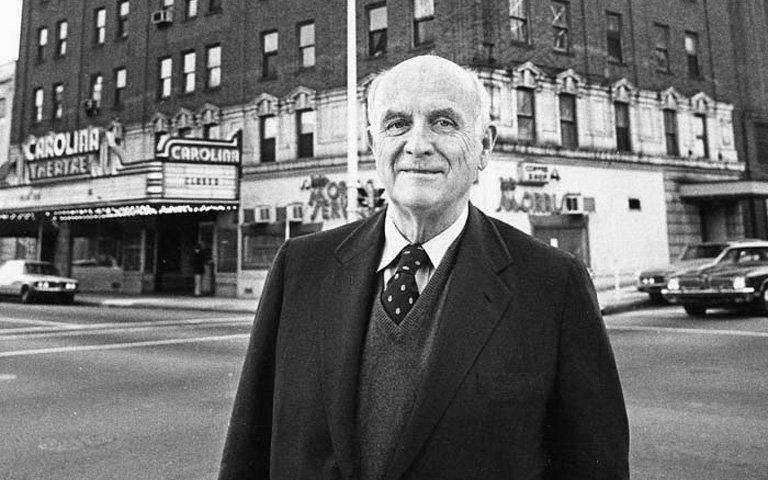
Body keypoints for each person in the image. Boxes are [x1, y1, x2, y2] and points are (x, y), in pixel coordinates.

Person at [218, 55, 629, 480]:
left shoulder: (552, 285)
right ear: (373, 143)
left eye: (444, 123)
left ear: (484, 145)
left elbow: (595, 466)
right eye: (397, 123)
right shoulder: (299, 269)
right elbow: (249, 449)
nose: (418, 144)